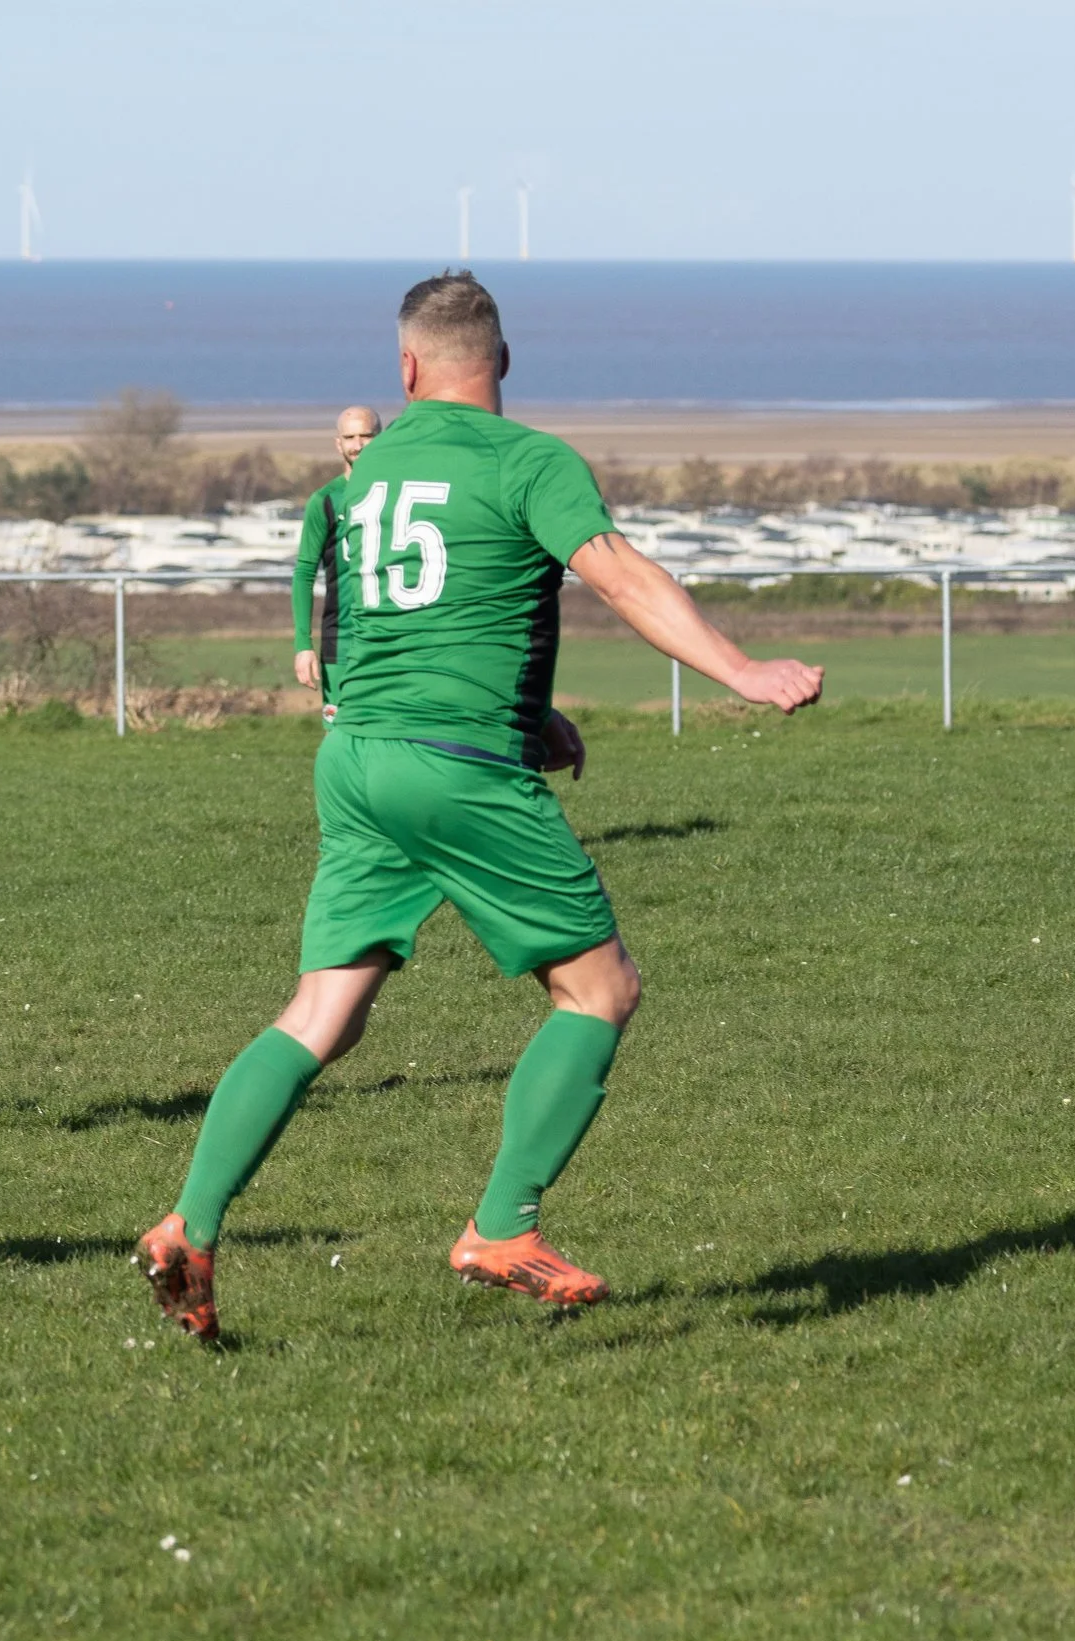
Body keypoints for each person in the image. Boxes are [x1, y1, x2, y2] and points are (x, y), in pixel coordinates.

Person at [136, 272, 824, 1339]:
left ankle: (191, 1219)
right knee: (599, 989)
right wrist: (736, 669)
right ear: (500, 361)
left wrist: (529, 713)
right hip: (456, 768)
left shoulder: (369, 473)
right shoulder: (529, 460)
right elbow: (618, 574)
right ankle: (503, 1226)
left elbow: (397, 613)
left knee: (322, 1012)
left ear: (405, 370)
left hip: (358, 758)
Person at [289, 405, 382, 716]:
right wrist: (303, 645)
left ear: (381, 438)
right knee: (339, 737)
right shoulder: (326, 500)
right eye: (350, 437)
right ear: (338, 443)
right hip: (341, 640)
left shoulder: (399, 494)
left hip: (392, 640)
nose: (358, 444)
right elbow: (304, 572)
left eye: (366, 436)